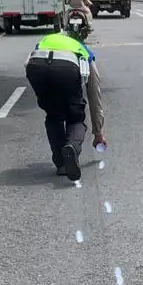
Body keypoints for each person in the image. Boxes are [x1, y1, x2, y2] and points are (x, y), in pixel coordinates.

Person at [24, 30, 106, 180]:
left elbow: (28, 61)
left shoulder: (47, 40)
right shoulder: (83, 50)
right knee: (75, 117)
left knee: (53, 115)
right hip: (66, 69)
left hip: (36, 66)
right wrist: (98, 132)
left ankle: (61, 164)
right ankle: (72, 148)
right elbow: (94, 94)